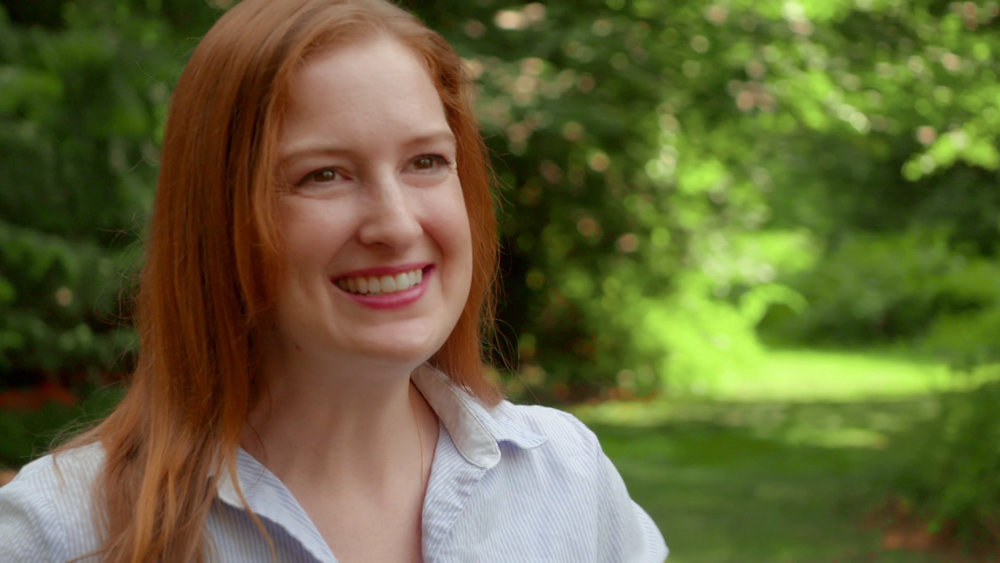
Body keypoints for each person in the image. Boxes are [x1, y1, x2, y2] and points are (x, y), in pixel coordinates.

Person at [0, 0, 668, 560]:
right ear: (218, 219)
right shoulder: (64, 531)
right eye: (324, 174)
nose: (396, 224)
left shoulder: (566, 481)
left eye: (426, 162)